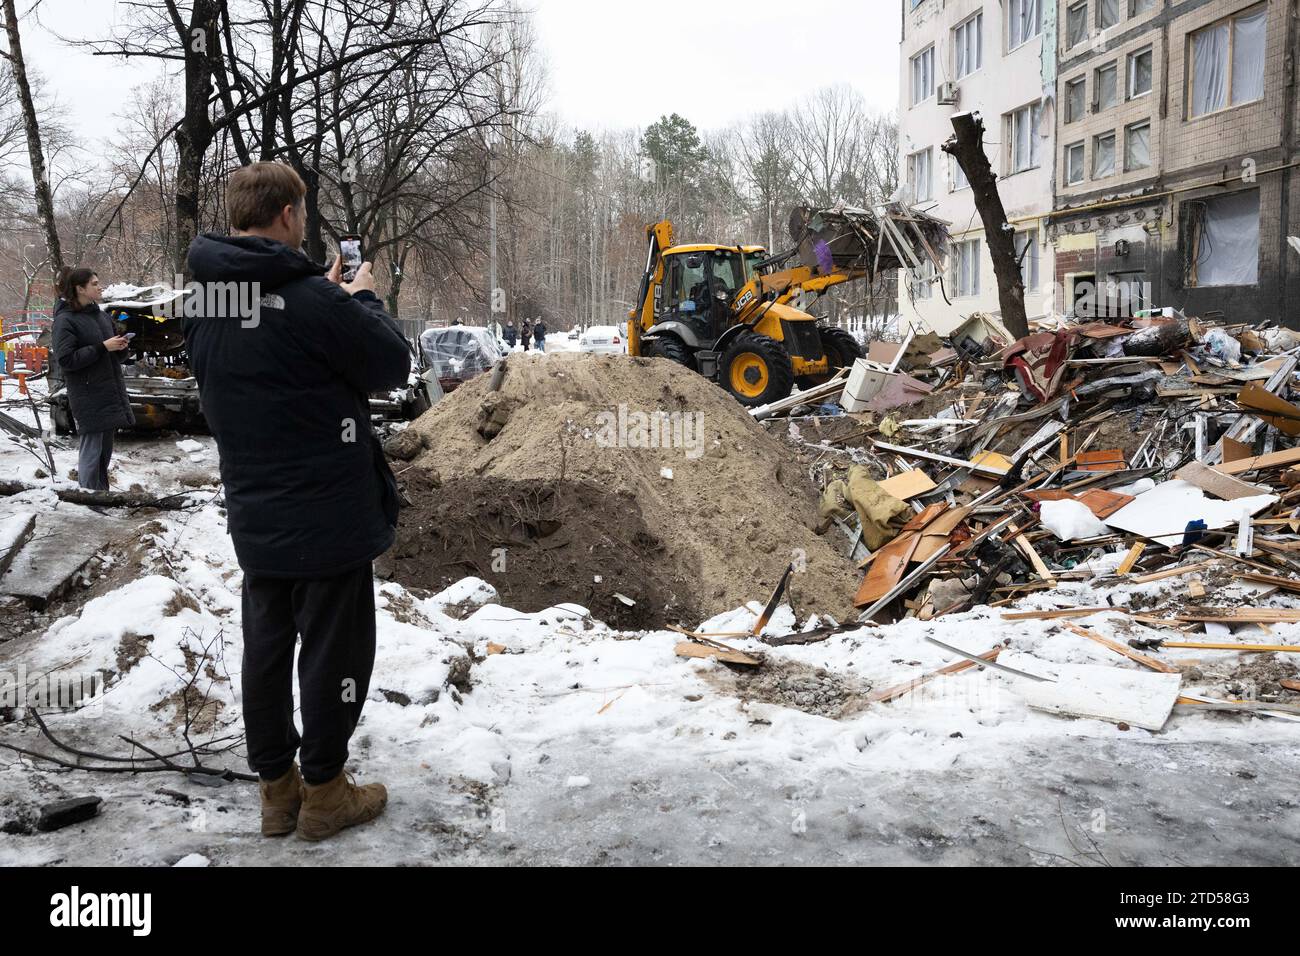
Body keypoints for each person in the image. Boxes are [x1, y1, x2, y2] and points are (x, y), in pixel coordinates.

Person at [183, 162, 411, 842]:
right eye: (302, 214)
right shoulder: (316, 301)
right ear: (285, 215)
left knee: (267, 648)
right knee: (332, 657)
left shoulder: (205, 303)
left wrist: (326, 304)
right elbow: (388, 365)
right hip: (328, 517)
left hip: (256, 514)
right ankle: (324, 792)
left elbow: (258, 362)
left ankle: (276, 793)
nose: (304, 225)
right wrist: (362, 301)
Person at [51, 267, 135, 490]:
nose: (100, 287)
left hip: (108, 391)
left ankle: (101, 497)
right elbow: (66, 360)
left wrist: (121, 347)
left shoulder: (101, 315)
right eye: (95, 284)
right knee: (91, 453)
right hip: (88, 395)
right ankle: (88, 498)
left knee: (104, 454)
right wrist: (102, 347)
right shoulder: (65, 320)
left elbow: (111, 356)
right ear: (80, 288)